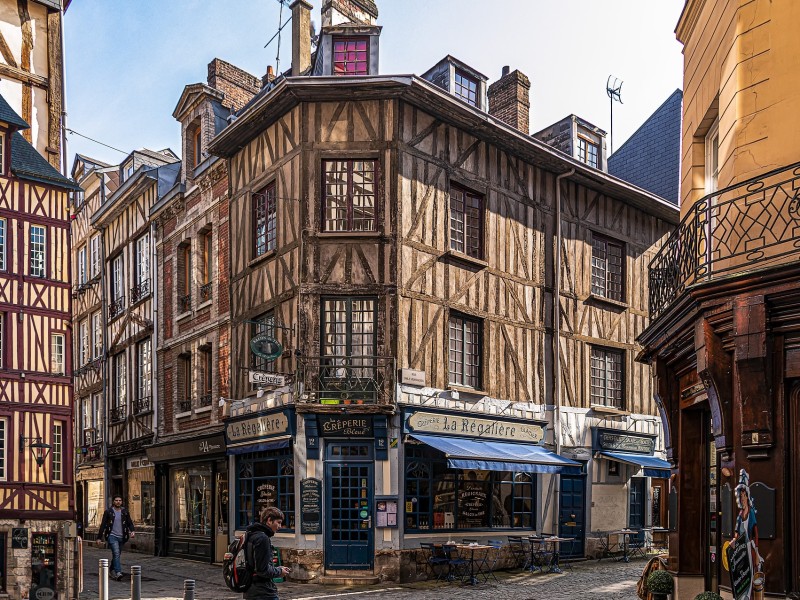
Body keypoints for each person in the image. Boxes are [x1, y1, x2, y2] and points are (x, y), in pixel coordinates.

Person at [245, 505, 291, 600]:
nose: (279, 527)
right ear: (269, 521)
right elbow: (262, 570)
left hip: (251, 588)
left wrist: (277, 568)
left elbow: (257, 565)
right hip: (263, 591)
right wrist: (279, 571)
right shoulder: (262, 538)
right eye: (278, 523)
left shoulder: (251, 535)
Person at [98, 495, 135, 581]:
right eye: (116, 500)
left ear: (121, 502)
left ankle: (111, 569)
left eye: (120, 500)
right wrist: (99, 537)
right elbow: (103, 525)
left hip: (122, 537)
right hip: (112, 536)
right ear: (113, 502)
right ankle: (118, 572)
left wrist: (132, 530)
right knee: (116, 554)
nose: (118, 502)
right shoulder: (108, 512)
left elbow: (129, 522)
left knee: (116, 555)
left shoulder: (124, 512)